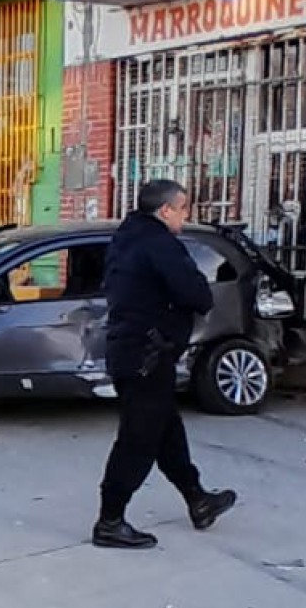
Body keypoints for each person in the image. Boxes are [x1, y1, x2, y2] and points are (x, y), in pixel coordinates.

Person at [93, 180, 237, 550]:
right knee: (138, 440)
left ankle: (197, 499)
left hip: (134, 351)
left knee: (167, 432)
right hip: (147, 355)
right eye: (183, 208)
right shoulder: (159, 244)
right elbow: (196, 293)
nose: (186, 216)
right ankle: (109, 521)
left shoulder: (127, 237)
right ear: (165, 210)